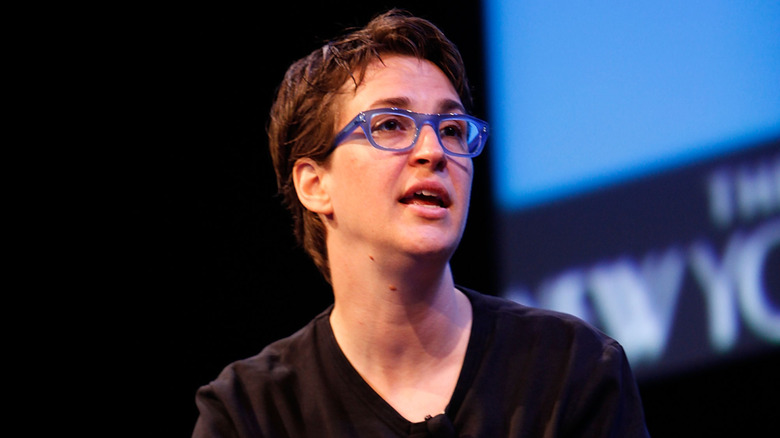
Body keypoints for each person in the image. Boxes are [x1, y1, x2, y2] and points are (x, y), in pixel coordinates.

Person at [192, 9, 650, 437]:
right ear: (314, 184)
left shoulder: (571, 369)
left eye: (452, 130)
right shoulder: (251, 413)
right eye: (391, 125)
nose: (434, 151)